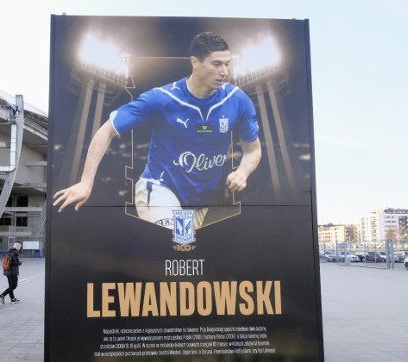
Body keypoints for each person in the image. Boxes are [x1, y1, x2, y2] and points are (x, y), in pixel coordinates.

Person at [53, 32, 262, 229]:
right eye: (216, 64)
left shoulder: (237, 100)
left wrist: (243, 172)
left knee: (180, 259)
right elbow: (106, 130)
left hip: (199, 203)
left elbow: (253, 150)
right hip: (160, 188)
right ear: (195, 62)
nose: (224, 71)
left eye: (226, 64)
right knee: (176, 245)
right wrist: (85, 182)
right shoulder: (162, 99)